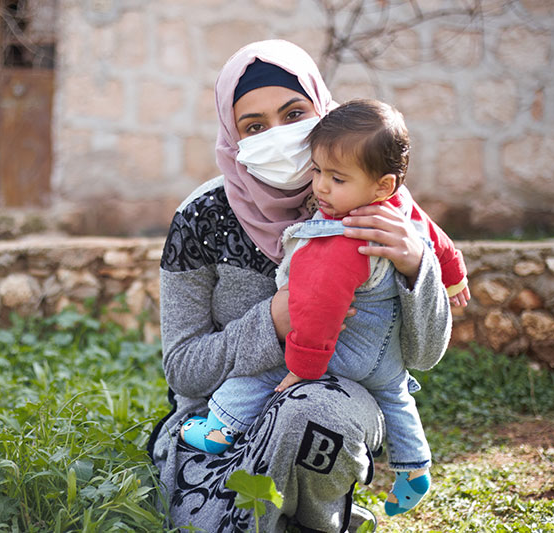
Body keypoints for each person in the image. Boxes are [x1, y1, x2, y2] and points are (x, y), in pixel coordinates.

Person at [147, 39, 453, 533]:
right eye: (254, 126)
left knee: (309, 415)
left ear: (321, 109)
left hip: (329, 404)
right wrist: (272, 322)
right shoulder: (200, 218)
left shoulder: (374, 204)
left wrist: (419, 266)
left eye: (294, 113)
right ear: (232, 134)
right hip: (216, 420)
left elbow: (423, 355)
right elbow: (183, 369)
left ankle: (314, 517)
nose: (281, 136)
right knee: (209, 523)